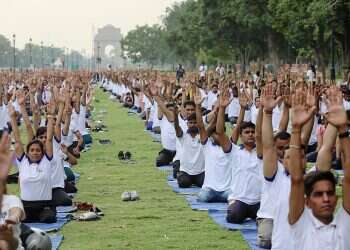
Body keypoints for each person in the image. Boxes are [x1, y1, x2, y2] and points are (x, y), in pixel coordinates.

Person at [288, 87, 350, 250]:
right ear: (307, 201)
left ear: (337, 199)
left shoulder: (344, 225)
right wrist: (295, 129)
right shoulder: (301, 226)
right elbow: (295, 180)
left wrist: (343, 130)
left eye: (330, 193)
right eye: (318, 194)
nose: (326, 199)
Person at [216, 88, 262, 224]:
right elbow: (219, 132)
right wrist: (222, 109)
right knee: (233, 218)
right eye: (247, 132)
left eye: (253, 132)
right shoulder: (234, 151)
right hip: (240, 199)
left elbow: (262, 131)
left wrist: (264, 110)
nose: (250, 134)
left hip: (259, 200)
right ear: (240, 136)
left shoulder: (263, 153)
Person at [9, 100, 56, 223]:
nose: (35, 152)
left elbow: (49, 139)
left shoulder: (47, 160)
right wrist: (13, 118)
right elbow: (18, 140)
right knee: (15, 215)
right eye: (32, 150)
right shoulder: (22, 161)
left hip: (44, 205)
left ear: (42, 152)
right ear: (28, 152)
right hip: (26, 206)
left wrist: (50, 117)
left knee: (48, 219)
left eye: (38, 150)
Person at [193, 89, 231, 202]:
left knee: (236, 199)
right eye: (213, 134)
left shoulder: (231, 148)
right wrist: (198, 107)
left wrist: (223, 110)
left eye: (218, 134)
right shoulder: (207, 146)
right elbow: (200, 126)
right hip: (209, 190)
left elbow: (237, 127)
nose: (215, 136)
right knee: (202, 197)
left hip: (226, 191)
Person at [174, 106, 205, 188]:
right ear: (187, 124)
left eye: (195, 123)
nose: (193, 125)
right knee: (183, 183)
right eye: (190, 123)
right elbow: (177, 127)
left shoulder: (203, 136)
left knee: (205, 184)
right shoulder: (183, 136)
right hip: (186, 171)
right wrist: (175, 115)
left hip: (200, 172)